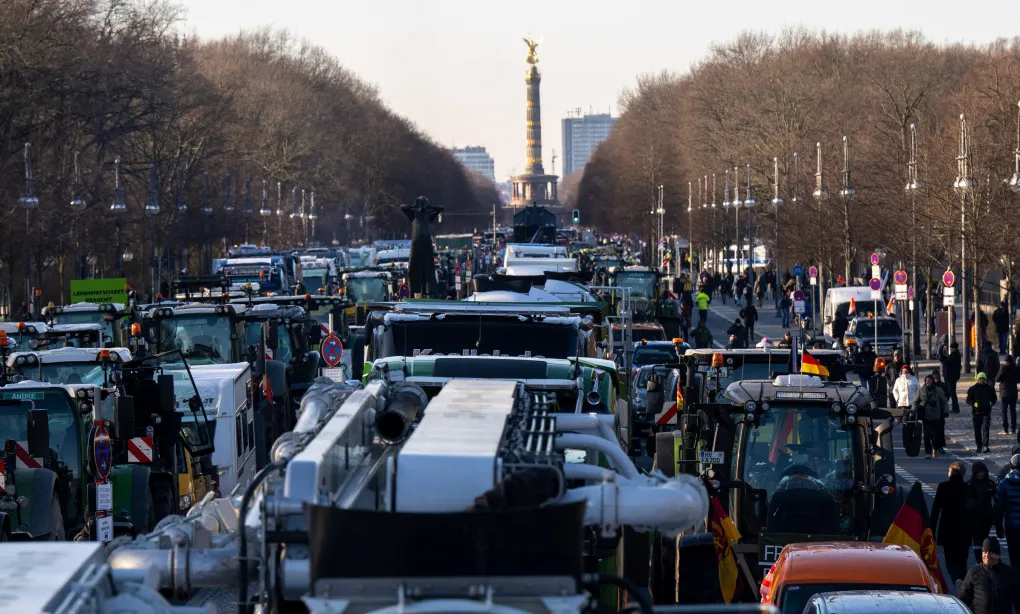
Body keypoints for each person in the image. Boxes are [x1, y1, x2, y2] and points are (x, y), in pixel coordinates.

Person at [932, 462, 974, 584]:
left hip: (947, 530)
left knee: (950, 560)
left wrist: (931, 529)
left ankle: (956, 580)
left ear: (950, 472)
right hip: (964, 531)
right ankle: (963, 581)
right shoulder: (968, 488)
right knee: (962, 560)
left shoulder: (943, 487)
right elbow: (973, 511)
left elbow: (935, 510)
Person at [958, 538, 1020, 614]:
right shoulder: (973, 573)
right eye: (984, 551)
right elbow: (963, 602)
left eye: (990, 552)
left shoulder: (1010, 573)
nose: (986, 555)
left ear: (998, 555)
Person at [995, 454, 1020, 568]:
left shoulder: (1004, 483)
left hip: (1011, 525)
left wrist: (998, 526)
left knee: (1014, 555)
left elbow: (999, 507)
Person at [914, 374, 948, 459]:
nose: (927, 382)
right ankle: (928, 452)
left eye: (929, 380)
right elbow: (916, 401)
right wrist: (913, 411)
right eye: (926, 380)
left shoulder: (938, 390)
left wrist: (945, 411)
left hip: (936, 416)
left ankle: (935, 448)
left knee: (935, 436)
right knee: (926, 435)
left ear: (932, 381)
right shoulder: (921, 390)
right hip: (926, 416)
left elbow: (944, 401)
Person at [971, 461, 997, 563]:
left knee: (984, 538)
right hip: (974, 517)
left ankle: (983, 559)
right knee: (976, 540)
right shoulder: (970, 484)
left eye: (982, 472)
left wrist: (995, 516)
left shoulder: (990, 484)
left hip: (987, 516)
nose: (981, 474)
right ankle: (979, 560)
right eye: (978, 472)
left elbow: (997, 500)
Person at [968, 372, 997, 453]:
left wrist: (991, 403)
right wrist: (973, 403)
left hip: (986, 412)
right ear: (978, 380)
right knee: (977, 429)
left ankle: (985, 446)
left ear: (985, 379)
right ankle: (979, 446)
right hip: (976, 412)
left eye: (983, 379)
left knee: (985, 429)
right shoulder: (972, 389)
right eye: (980, 379)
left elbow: (994, 398)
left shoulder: (990, 388)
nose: (982, 380)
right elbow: (968, 399)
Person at [999, 354, 1020, 435]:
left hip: (1004, 392)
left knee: (1004, 411)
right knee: (1013, 410)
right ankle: (1013, 428)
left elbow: (997, 379)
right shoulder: (1016, 368)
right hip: (1013, 392)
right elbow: (1018, 380)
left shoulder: (1003, 368)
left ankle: (1005, 429)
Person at [940, 341, 963, 413]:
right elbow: (947, 360)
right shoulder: (954, 355)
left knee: (951, 392)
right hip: (950, 376)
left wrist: (941, 358)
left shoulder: (955, 355)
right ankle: (948, 406)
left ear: (954, 348)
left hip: (951, 376)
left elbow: (947, 362)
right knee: (950, 392)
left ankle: (955, 407)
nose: (950, 349)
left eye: (951, 348)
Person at [932, 369, 951, 453]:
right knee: (932, 430)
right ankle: (933, 446)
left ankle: (940, 446)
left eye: (937, 375)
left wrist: (944, 402)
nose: (935, 377)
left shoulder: (943, 385)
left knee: (940, 429)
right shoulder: (928, 385)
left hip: (941, 411)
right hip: (931, 411)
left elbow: (947, 395)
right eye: (934, 375)